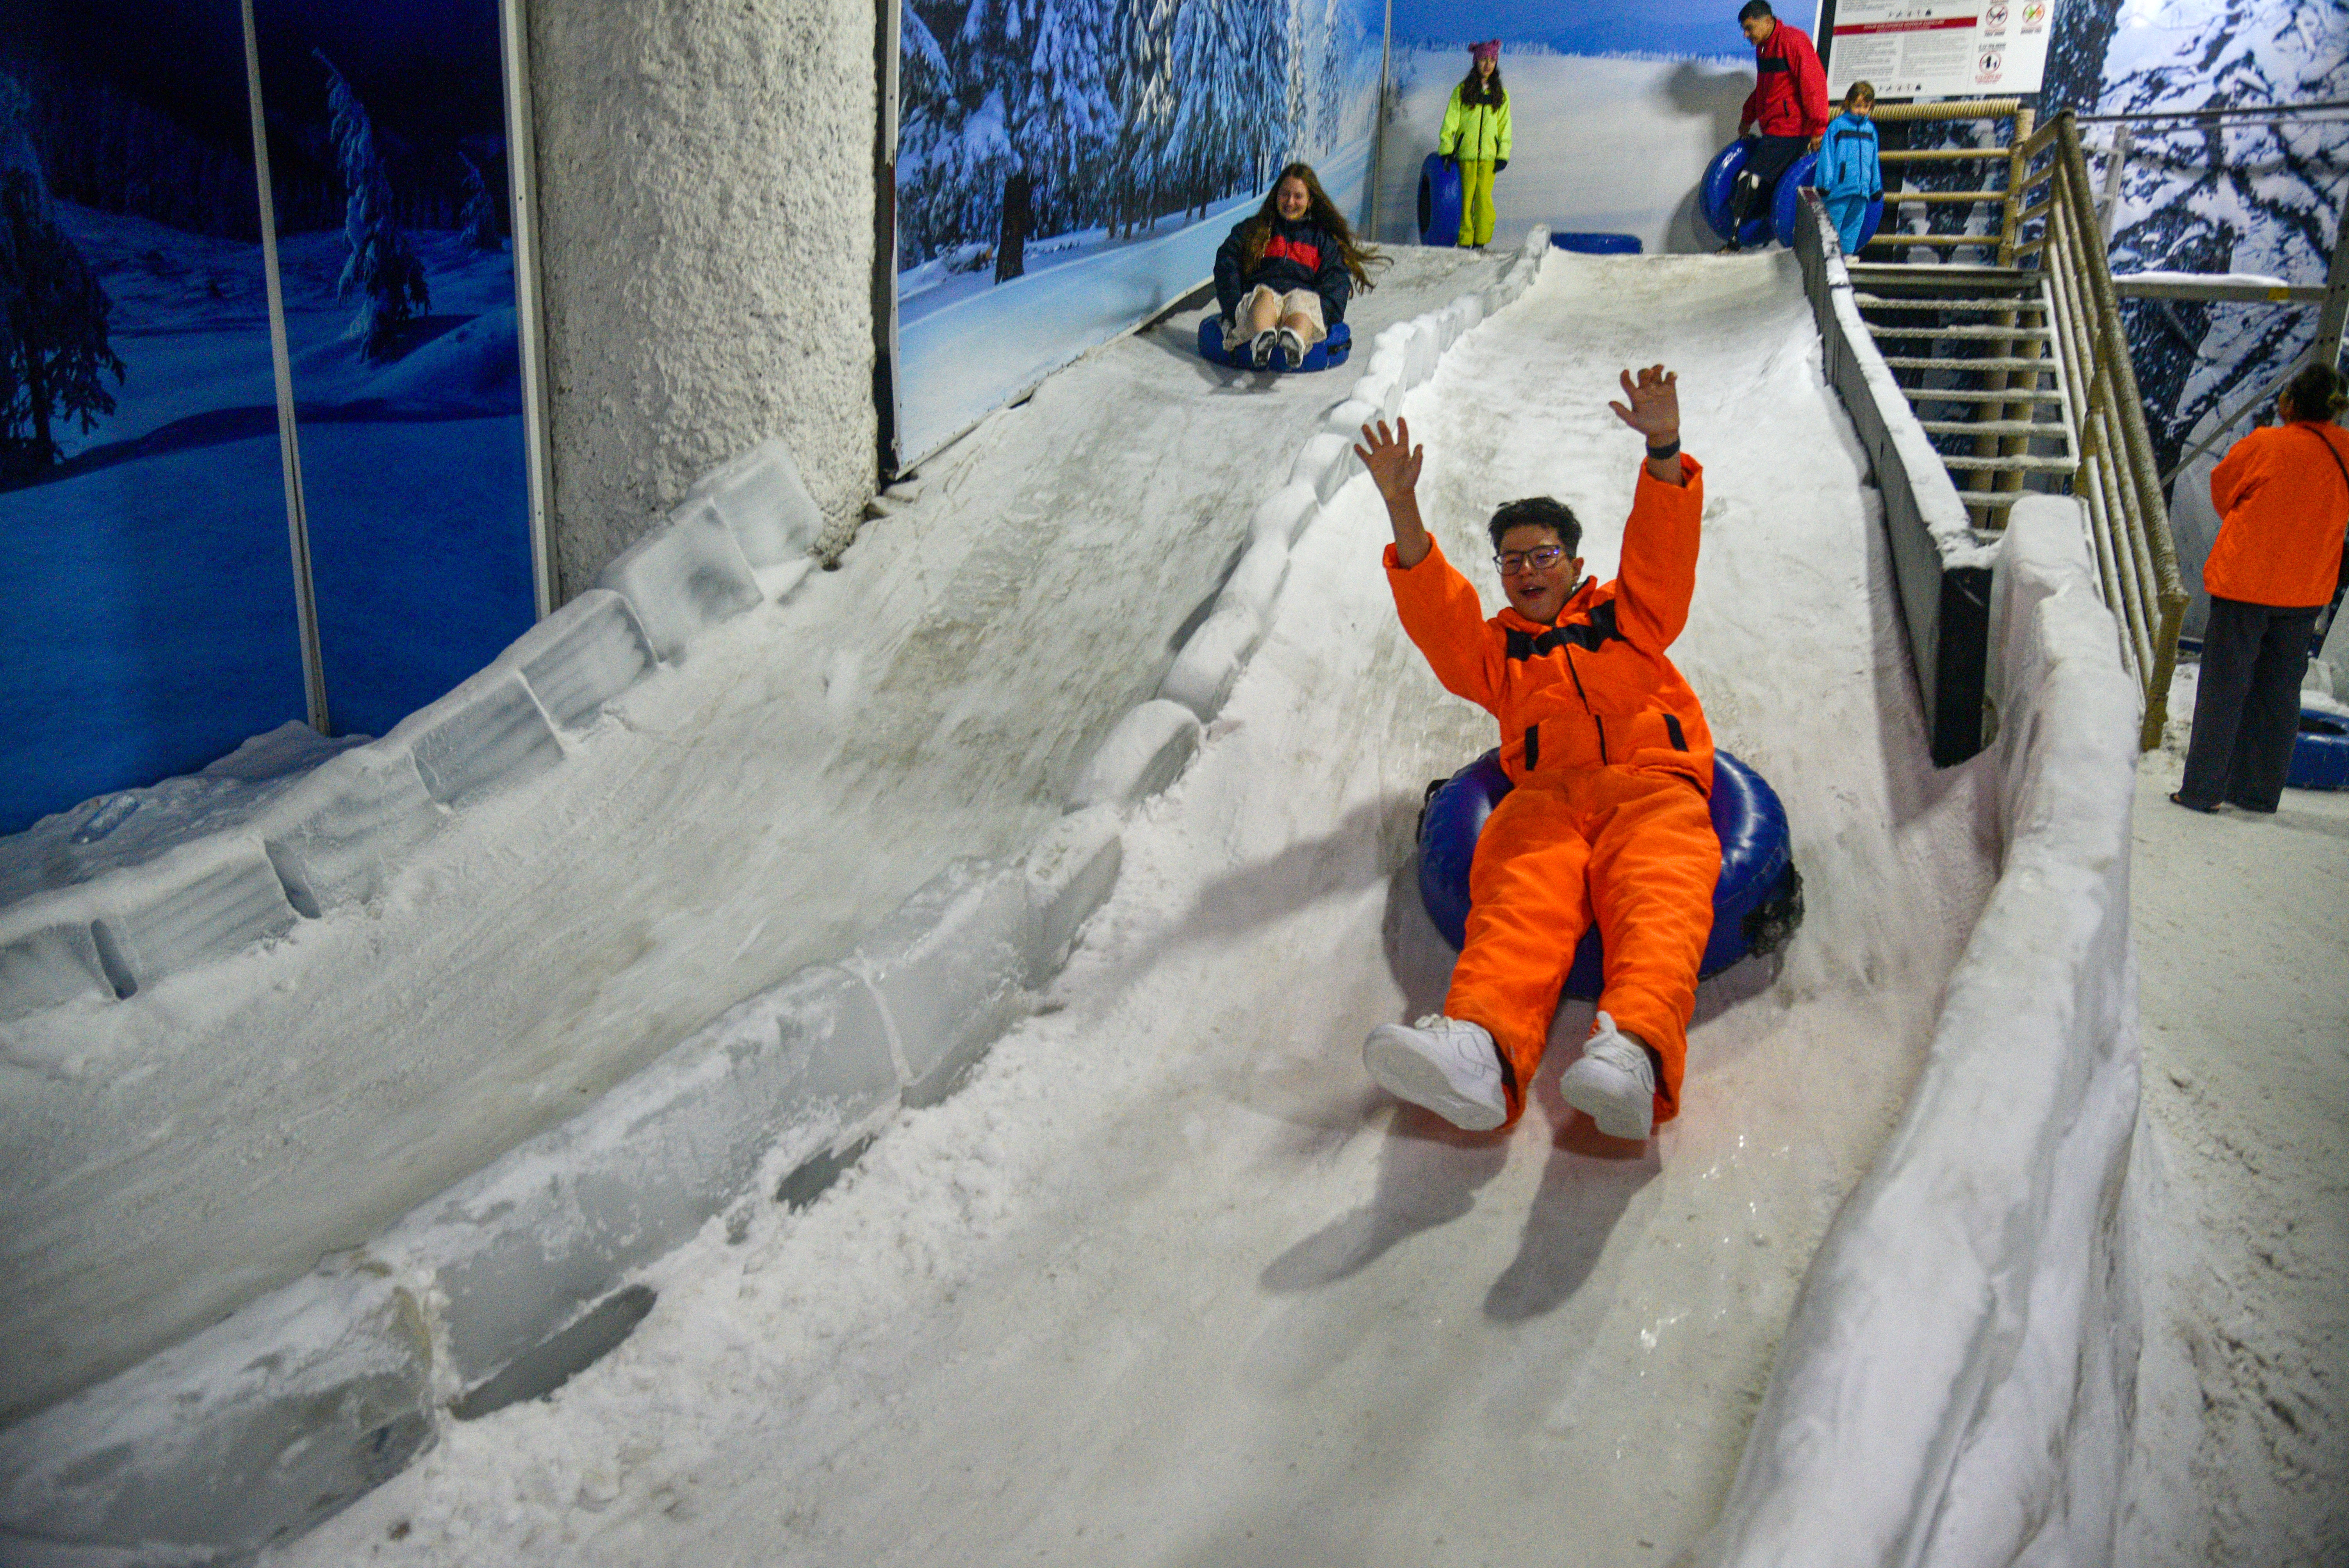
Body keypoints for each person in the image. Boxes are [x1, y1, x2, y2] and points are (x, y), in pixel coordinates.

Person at [1352, 366, 1717, 1143]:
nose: (1525, 571)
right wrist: (1401, 504)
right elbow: (1438, 614)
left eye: (1541, 555)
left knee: (1658, 892)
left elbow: (1661, 554)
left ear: (1575, 565)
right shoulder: (1497, 655)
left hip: (1650, 785)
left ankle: (1633, 1051)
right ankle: (1480, 1047)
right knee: (1519, 897)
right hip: (1546, 797)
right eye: (1511, 562)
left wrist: (1662, 446)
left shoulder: (1630, 616)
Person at [2173, 360, 2349, 813]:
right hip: (2305, 592)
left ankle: (2202, 791)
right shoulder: (2345, 450)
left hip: (2245, 585)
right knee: (2278, 695)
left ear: (2288, 402)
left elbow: (2222, 492)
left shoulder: (2265, 444)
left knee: (2223, 691)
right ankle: (2256, 794)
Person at [1212, 162, 1382, 370]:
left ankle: (1293, 342)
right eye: (1285, 194)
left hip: (1299, 308)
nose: (1290, 202)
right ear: (1276, 196)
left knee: (1301, 301)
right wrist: (1233, 305)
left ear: (1310, 201)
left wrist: (1324, 314)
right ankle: (1263, 339)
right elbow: (1226, 263)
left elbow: (1336, 282)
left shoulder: (1322, 241)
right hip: (1257, 308)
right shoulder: (1254, 230)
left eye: (1298, 196)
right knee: (1265, 296)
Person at [1722, 0, 1829, 253]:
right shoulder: (1764, 49)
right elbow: (1766, 90)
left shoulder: (1793, 41)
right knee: (1756, 181)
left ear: (1767, 21)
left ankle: (1734, 242)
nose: (1746, 35)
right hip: (1775, 131)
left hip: (1792, 132)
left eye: (1749, 28)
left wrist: (1818, 128)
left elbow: (1813, 83)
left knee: (1750, 179)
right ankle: (1757, 233)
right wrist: (1748, 117)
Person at [1437, 41, 1512, 250]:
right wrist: (1447, 149)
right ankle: (1464, 241)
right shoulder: (1462, 91)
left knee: (1483, 201)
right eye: (1483, 59)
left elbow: (1505, 127)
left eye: (1492, 60)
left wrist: (1503, 154)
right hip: (1465, 156)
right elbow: (1450, 122)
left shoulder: (1500, 95)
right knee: (1464, 200)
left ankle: (1481, 242)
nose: (1488, 65)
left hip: (1489, 158)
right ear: (1476, 61)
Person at [1815, 81, 1883, 257]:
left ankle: (1846, 257)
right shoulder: (1837, 127)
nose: (1861, 110)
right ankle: (1828, 259)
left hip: (1861, 192)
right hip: (1840, 190)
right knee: (1833, 226)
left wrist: (1875, 187)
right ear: (1848, 103)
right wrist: (1824, 183)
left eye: (1866, 106)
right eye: (1858, 105)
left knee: (1853, 227)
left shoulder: (1871, 130)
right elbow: (1827, 156)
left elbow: (1874, 160)